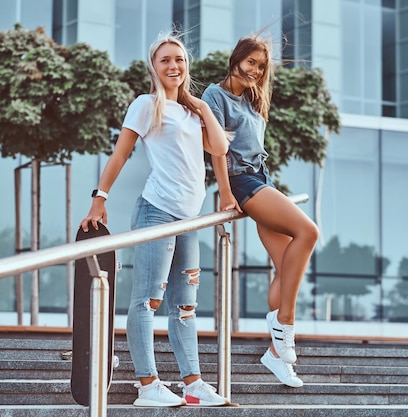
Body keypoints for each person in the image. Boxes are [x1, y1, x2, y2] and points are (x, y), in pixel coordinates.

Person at [80, 33, 229, 407]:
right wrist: (100, 198)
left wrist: (201, 105)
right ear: (154, 66)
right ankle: (148, 385)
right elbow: (120, 155)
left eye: (178, 59)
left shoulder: (192, 112)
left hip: (188, 220)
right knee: (148, 299)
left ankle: (192, 384)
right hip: (156, 212)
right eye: (165, 60)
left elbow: (221, 148)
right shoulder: (147, 105)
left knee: (185, 306)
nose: (173, 66)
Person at [202, 34, 319, 388]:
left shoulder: (254, 98)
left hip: (262, 178)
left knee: (287, 266)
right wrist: (225, 192)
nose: (256, 70)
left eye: (261, 65)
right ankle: (286, 324)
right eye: (251, 62)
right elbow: (217, 150)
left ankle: (275, 353)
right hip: (243, 183)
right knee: (309, 232)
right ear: (236, 58)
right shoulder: (215, 95)